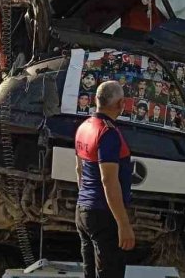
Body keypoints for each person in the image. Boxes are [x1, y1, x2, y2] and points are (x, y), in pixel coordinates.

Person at [74, 81, 135, 278]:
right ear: (120, 104)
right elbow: (108, 180)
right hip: (104, 215)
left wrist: (85, 200)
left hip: (83, 211)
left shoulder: (84, 127)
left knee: (90, 273)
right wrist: (123, 224)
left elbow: (79, 169)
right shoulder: (108, 133)